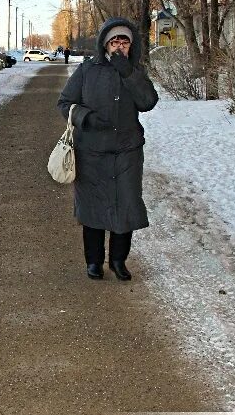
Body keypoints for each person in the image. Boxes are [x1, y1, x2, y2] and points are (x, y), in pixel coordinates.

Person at [56, 17, 159, 281]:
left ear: (130, 46)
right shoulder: (88, 70)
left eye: (124, 42)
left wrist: (127, 71)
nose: (119, 46)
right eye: (115, 41)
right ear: (105, 44)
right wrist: (85, 117)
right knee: (93, 209)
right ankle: (93, 262)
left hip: (127, 152)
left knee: (125, 207)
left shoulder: (135, 71)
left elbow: (148, 102)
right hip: (91, 152)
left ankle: (118, 261)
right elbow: (65, 102)